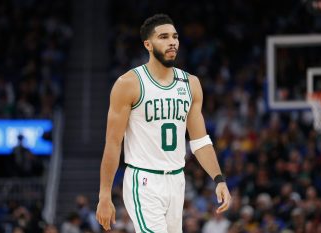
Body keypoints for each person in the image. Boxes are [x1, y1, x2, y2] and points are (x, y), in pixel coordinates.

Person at [96, 14, 231, 233]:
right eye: (164, 37)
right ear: (148, 44)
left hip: (177, 180)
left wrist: (219, 179)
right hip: (144, 180)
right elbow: (113, 143)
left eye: (175, 37)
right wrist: (104, 194)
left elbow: (200, 141)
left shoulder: (190, 84)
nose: (172, 42)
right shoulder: (129, 83)